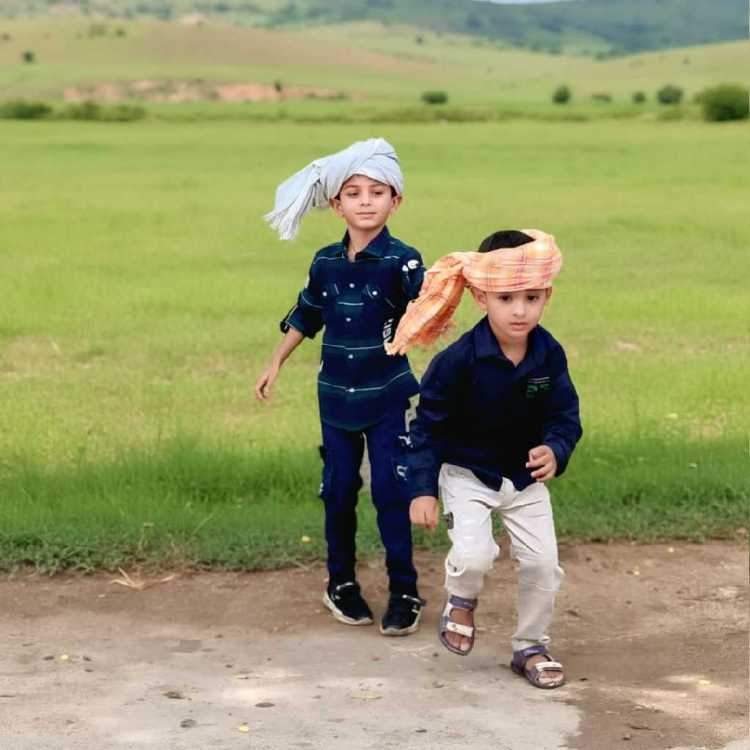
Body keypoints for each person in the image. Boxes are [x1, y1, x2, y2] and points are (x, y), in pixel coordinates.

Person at [386, 229, 582, 687]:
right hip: (467, 473)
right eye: (506, 298)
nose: (520, 310)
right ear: (481, 297)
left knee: (543, 565)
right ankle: (461, 601)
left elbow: (565, 416)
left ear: (547, 296)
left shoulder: (549, 355)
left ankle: (530, 645)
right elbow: (426, 429)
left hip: (525, 479)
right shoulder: (457, 362)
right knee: (474, 556)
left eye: (531, 298)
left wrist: (556, 449)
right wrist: (422, 490)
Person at [256, 138, 425, 636]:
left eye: (377, 192)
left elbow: (430, 310)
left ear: (396, 201)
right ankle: (341, 584)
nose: (366, 202)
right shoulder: (325, 262)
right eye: (354, 193)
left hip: (388, 395)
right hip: (334, 397)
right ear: (336, 205)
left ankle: (405, 590)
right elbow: (308, 312)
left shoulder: (404, 262)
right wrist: (276, 360)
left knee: (391, 490)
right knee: (338, 490)